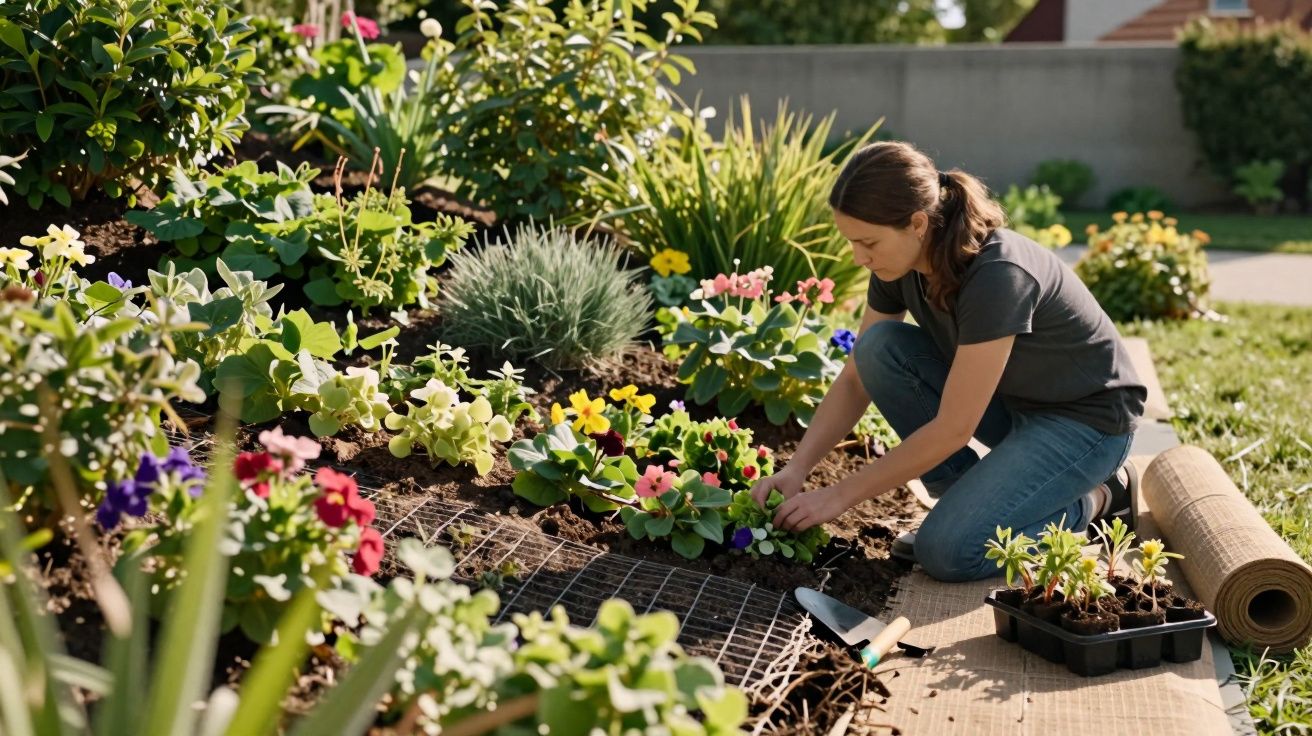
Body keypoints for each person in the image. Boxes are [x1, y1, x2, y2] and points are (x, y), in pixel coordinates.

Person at [750, 141, 1146, 583]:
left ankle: (1097, 498)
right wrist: (798, 468)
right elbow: (856, 378)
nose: (859, 258)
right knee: (878, 348)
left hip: (1086, 423)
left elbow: (956, 428)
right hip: (1014, 407)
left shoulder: (997, 275)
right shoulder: (898, 267)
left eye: (867, 242)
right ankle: (967, 505)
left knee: (947, 552)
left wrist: (839, 496)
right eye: (852, 243)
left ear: (917, 223)